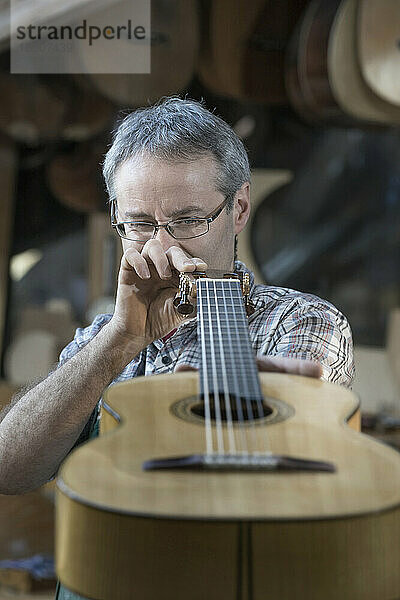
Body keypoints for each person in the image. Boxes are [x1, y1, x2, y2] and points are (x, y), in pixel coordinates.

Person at [0, 97, 354, 599]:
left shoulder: (300, 322)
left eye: (188, 220)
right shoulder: (106, 336)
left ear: (239, 209)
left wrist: (215, 325)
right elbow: (9, 469)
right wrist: (118, 342)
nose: (163, 249)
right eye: (140, 223)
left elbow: (254, 481)